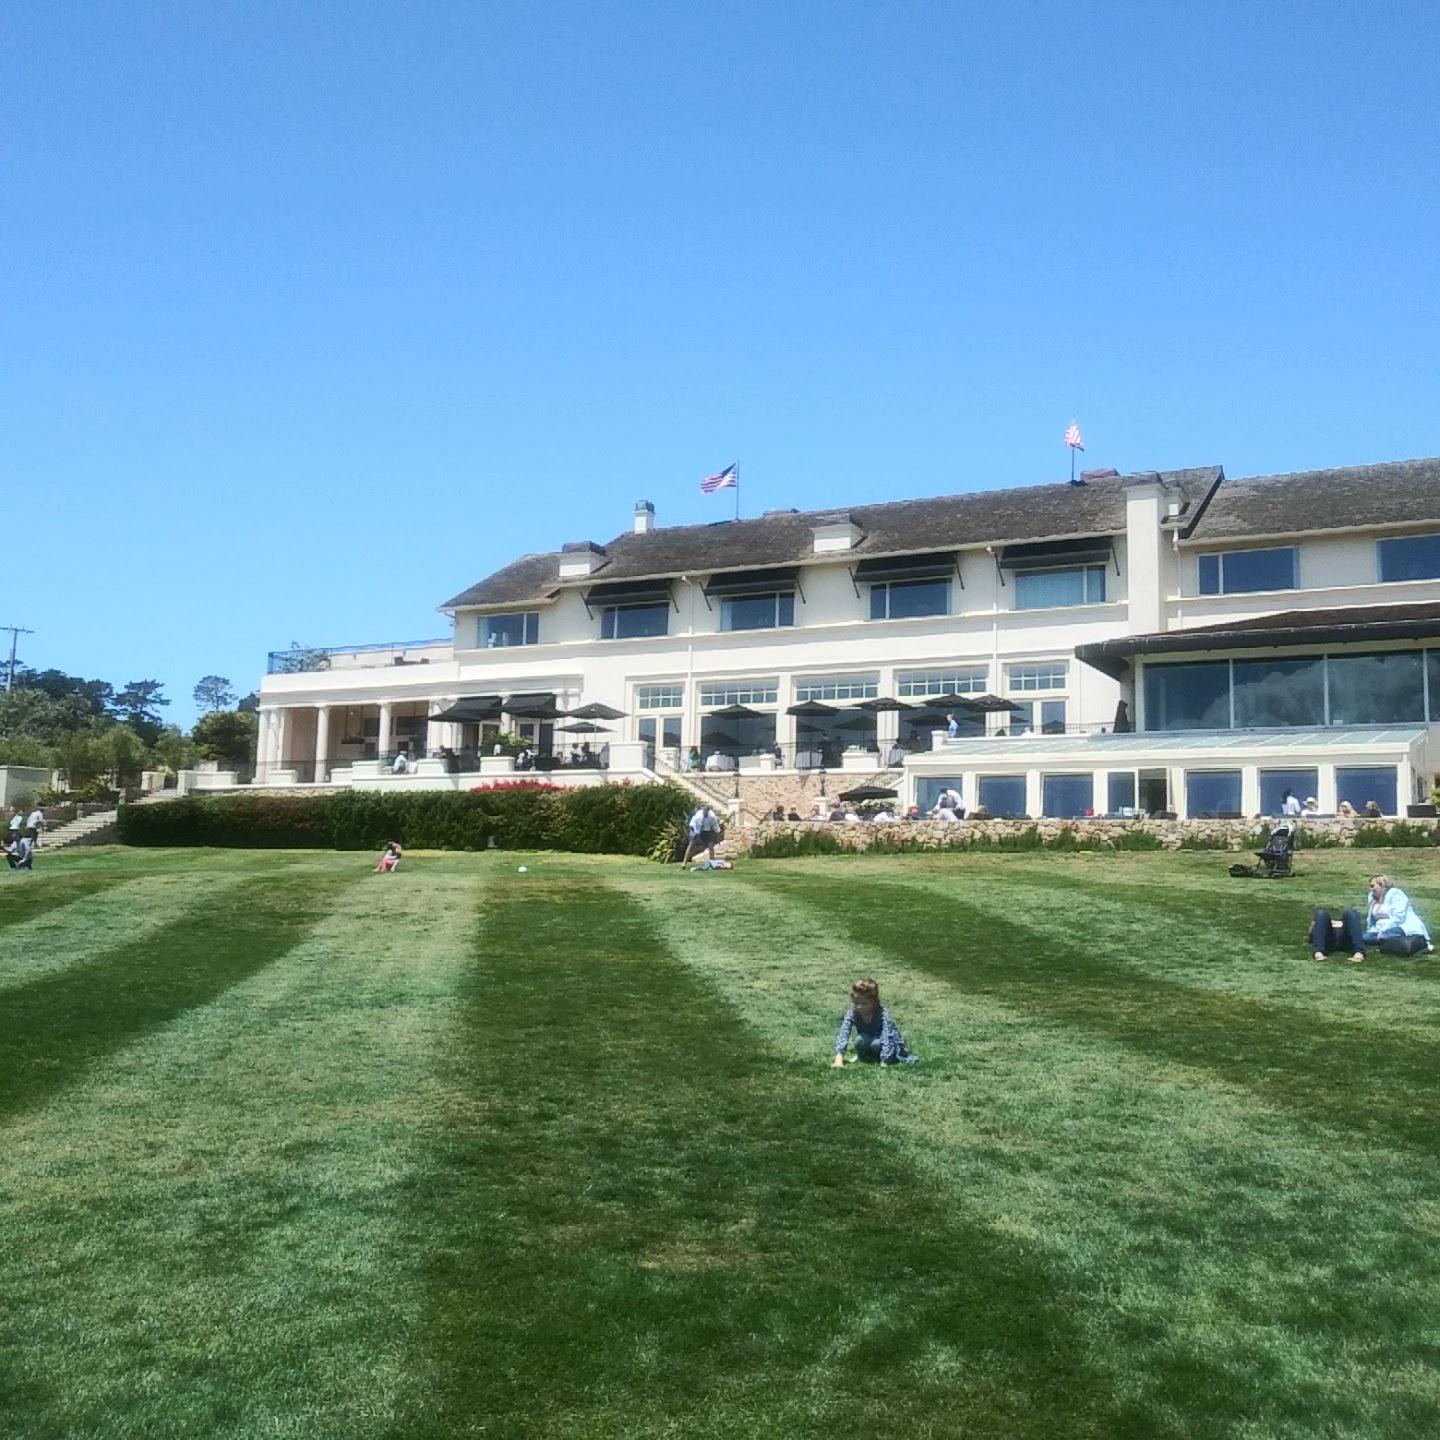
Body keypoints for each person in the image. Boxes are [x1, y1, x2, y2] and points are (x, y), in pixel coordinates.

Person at [1311, 873, 1433, 962]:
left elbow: (1399, 918)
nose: (1371, 889)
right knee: (1365, 936)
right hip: (1379, 930)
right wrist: (1372, 931)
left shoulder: (1396, 895)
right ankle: (1320, 951)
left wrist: (1382, 931)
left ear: (1382, 885)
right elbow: (1371, 919)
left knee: (1382, 935)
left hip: (1401, 928)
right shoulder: (1372, 897)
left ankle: (1361, 951)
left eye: (1372, 886)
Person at [831, 978, 917, 1067]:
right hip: (867, 1040)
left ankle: (884, 1057)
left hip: (884, 1043)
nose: (859, 1007)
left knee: (876, 1044)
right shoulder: (853, 1012)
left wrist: (885, 1061)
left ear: (874, 1002)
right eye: (856, 1003)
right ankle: (867, 1057)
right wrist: (839, 1057)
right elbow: (844, 1032)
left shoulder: (883, 1014)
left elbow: (888, 1036)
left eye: (864, 1004)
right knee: (860, 1040)